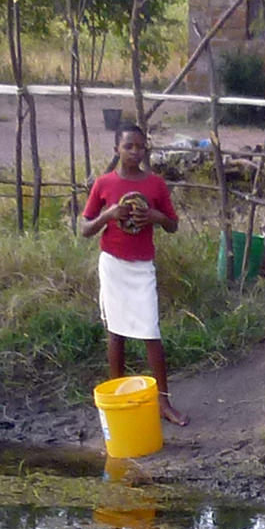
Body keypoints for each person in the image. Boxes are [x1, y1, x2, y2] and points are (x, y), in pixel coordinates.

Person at [79, 126, 187, 416]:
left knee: (151, 331)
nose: (135, 152)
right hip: (113, 265)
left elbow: (173, 225)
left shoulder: (155, 185)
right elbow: (85, 229)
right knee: (116, 332)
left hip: (142, 267)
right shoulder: (104, 184)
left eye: (140, 147)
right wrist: (109, 215)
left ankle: (163, 401)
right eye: (129, 146)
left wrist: (155, 217)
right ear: (117, 149)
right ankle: (118, 397)